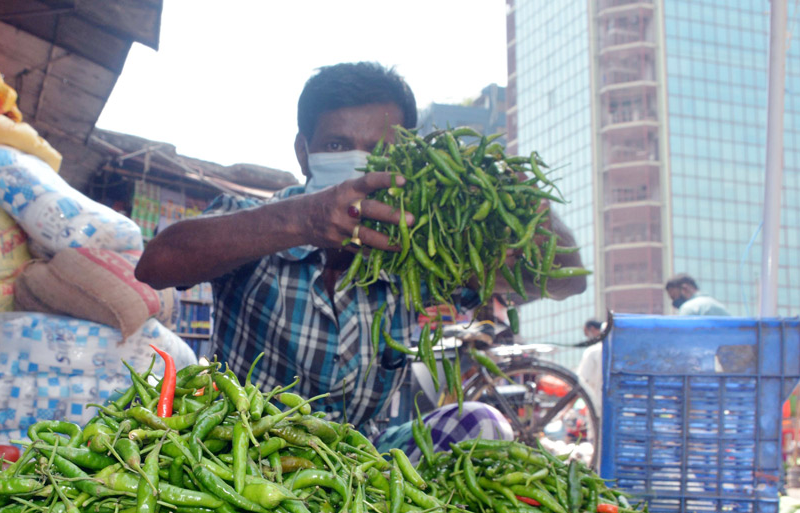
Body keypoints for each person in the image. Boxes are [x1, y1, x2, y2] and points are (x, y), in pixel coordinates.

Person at [135, 62, 585, 448]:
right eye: (336, 145)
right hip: (246, 450)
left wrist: (536, 223)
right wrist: (303, 221)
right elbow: (155, 264)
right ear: (303, 152)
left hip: (362, 460)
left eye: (381, 151)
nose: (359, 161)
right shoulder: (253, 222)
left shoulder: (419, 247)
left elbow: (566, 280)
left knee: (482, 425)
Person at [664, 273, 730, 316]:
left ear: (685, 289)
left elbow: (684, 335)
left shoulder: (688, 308)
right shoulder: (719, 306)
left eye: (674, 297)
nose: (674, 303)